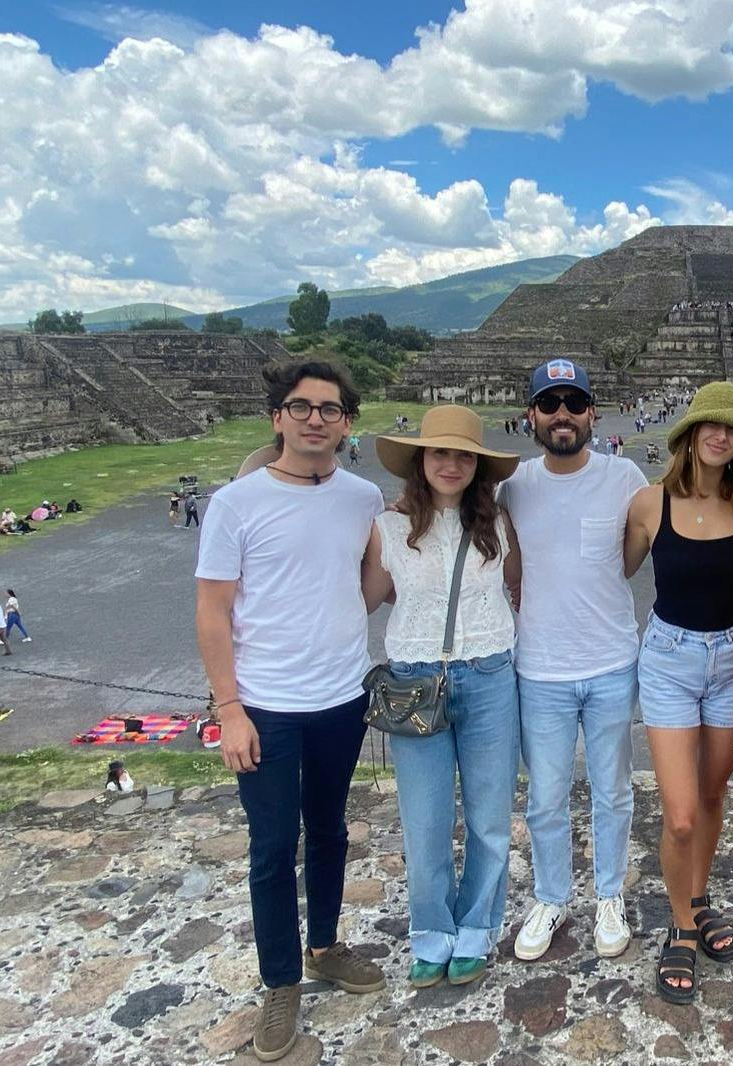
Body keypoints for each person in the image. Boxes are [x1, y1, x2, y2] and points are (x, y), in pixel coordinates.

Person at [196, 360, 387, 1062]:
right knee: (272, 848)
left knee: (330, 829)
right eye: (301, 407)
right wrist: (230, 708)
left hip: (340, 698)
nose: (315, 419)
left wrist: (335, 624)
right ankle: (280, 984)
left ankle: (325, 943)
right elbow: (213, 611)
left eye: (330, 409)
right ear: (276, 416)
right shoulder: (236, 503)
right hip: (266, 709)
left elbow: (371, 579)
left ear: (347, 422)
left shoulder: (363, 496)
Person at [366, 404, 522, 990]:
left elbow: (519, 585)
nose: (450, 464)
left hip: (488, 678)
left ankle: (477, 927)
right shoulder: (388, 528)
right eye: (440, 453)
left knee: (488, 818)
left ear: (477, 465)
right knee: (425, 821)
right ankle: (431, 931)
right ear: (420, 461)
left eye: (462, 454)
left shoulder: (500, 526)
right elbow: (368, 596)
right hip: (414, 684)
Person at [622, 382, 733, 1001]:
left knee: (711, 797)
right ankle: (680, 925)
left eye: (732, 429)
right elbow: (616, 571)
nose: (720, 435)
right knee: (679, 814)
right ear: (688, 434)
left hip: (731, 662)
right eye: (710, 424)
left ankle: (697, 898)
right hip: (670, 661)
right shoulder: (650, 505)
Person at [501, 360, 646, 966]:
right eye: (550, 402)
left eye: (575, 402)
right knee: (547, 795)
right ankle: (552, 897)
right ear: (531, 414)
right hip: (540, 667)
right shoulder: (514, 485)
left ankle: (609, 894)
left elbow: (636, 556)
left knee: (613, 791)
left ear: (593, 413)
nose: (563, 413)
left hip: (612, 661)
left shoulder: (627, 477)